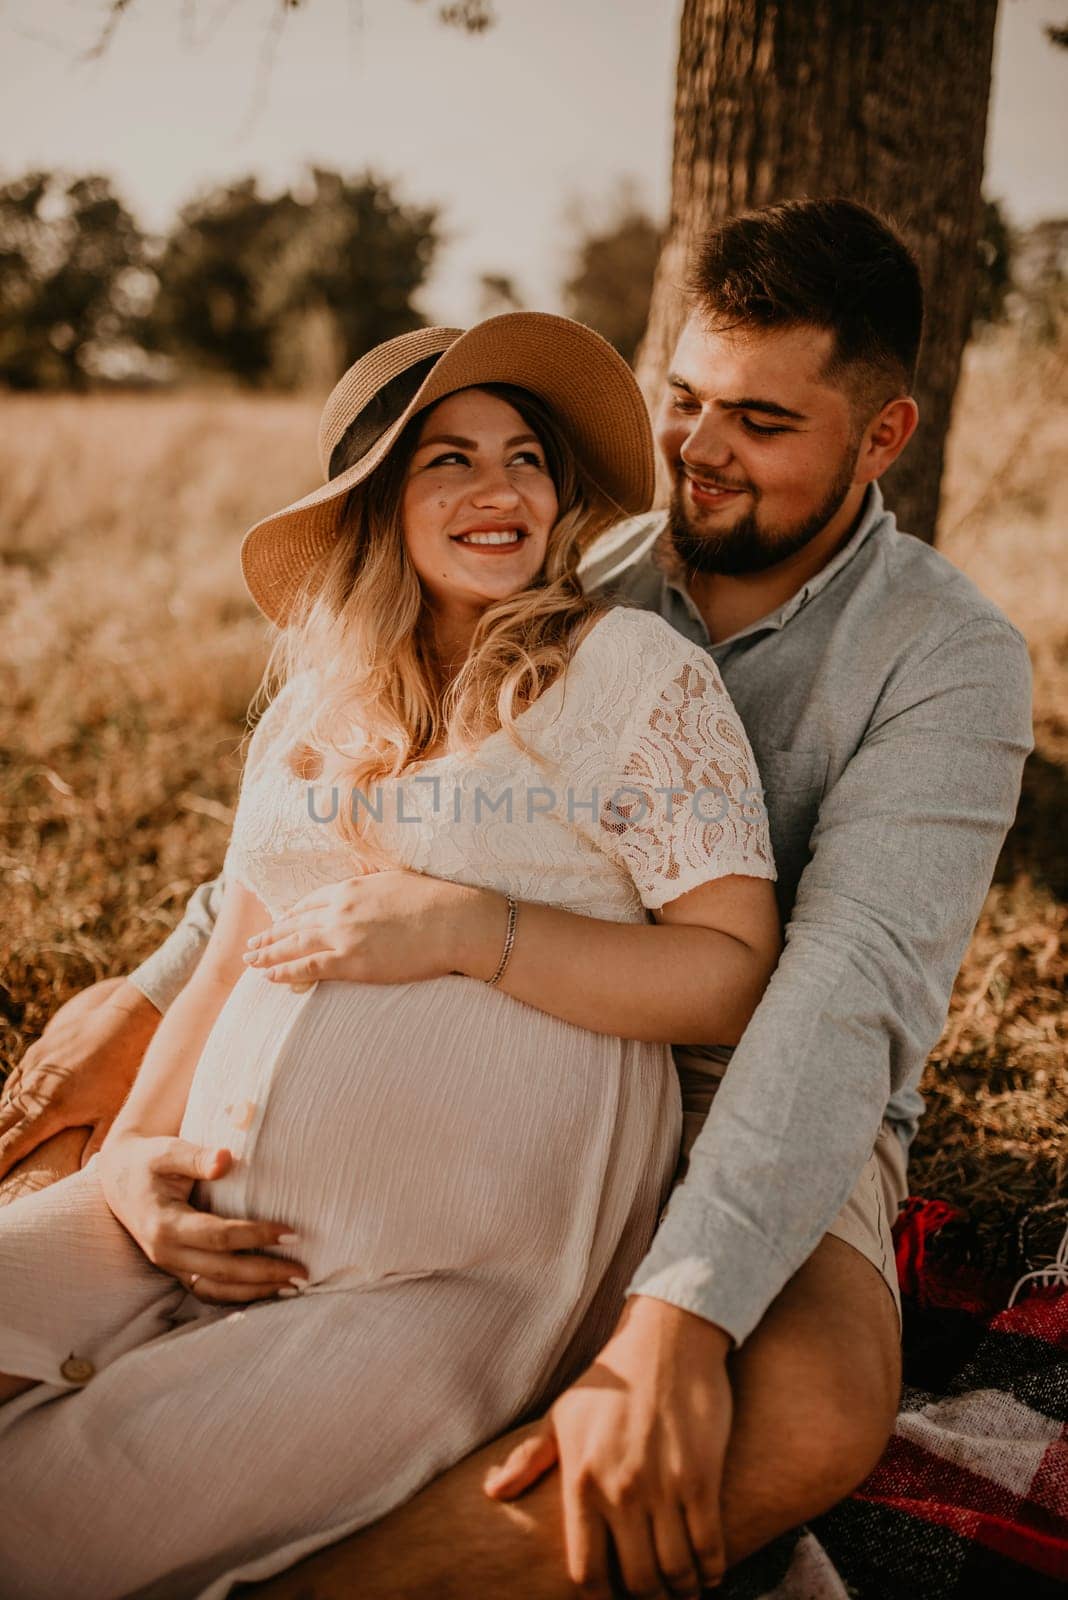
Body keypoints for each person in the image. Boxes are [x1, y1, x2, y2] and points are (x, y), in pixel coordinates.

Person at [0, 198, 1034, 1599]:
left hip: (756, 1083)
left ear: (883, 436)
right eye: (682, 402)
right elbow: (332, 835)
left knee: (798, 1415)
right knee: (56, 1169)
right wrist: (147, 1000)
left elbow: (834, 994)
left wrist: (680, 1309)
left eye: (763, 423)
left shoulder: (944, 659)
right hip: (425, 1101)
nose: (699, 452)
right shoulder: (562, 564)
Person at [0, 312, 783, 1598]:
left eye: (526, 455)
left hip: (426, 1288)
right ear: (377, 505)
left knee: (41, 1528)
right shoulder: (315, 709)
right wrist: (136, 1163)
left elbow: (728, 965)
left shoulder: (632, 674)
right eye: (450, 460)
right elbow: (230, 959)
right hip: (169, 1228)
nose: (502, 488)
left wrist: (479, 931)